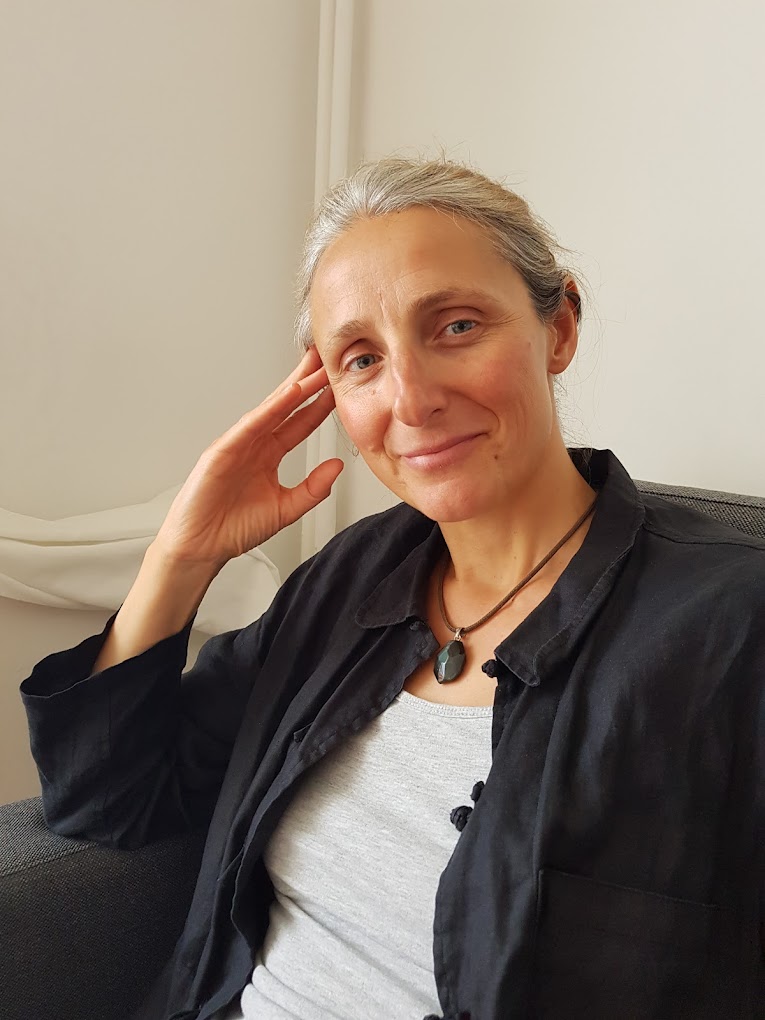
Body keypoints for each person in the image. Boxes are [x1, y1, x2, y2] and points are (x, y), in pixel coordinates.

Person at [20, 157, 765, 1020]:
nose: (409, 400)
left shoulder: (728, 624)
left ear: (558, 326)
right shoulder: (351, 579)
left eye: (456, 326)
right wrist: (181, 556)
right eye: (361, 359)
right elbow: (108, 799)